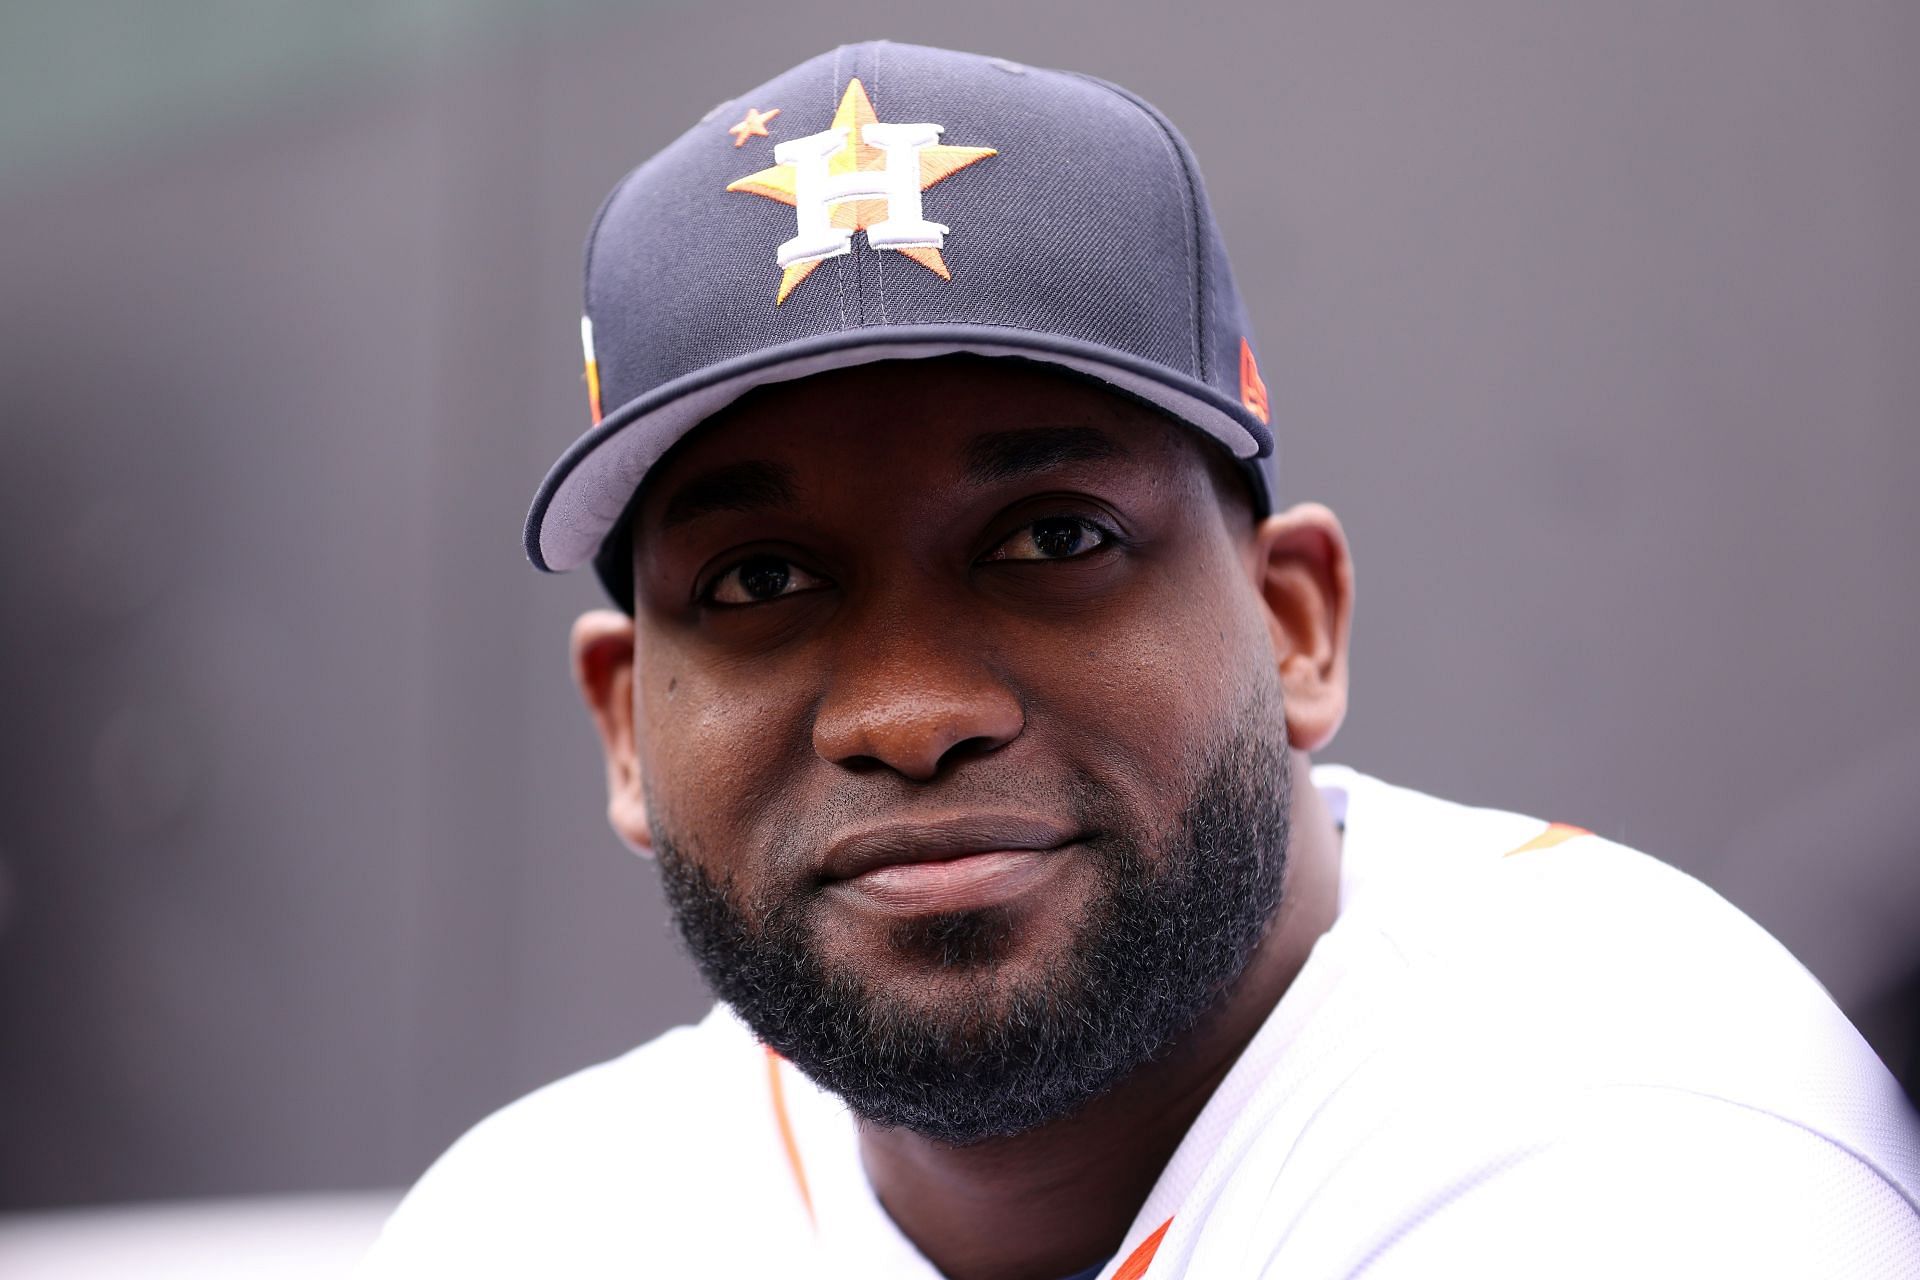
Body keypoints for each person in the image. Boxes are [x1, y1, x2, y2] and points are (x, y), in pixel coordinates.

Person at [360, 41, 1920, 1279]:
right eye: (762, 579)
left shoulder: (1628, 1131)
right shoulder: (537, 1223)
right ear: (627, 726)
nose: (912, 715)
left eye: (1054, 541)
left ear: (1298, 622)